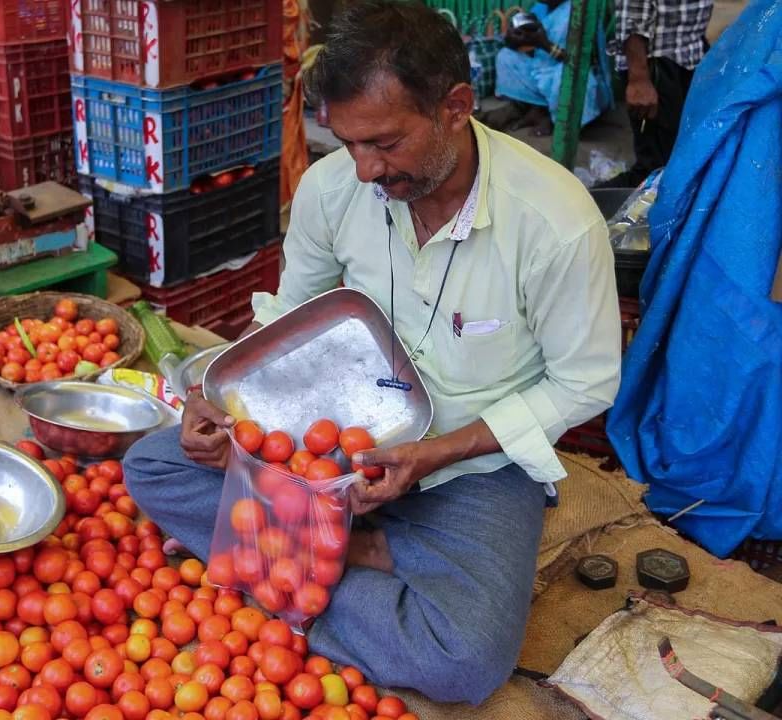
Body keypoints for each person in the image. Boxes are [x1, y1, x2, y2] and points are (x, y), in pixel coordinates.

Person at [123, 0, 622, 705]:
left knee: (466, 661)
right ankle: (355, 554)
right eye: (348, 143)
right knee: (151, 466)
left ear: (455, 106)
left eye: (384, 143)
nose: (362, 169)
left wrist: (436, 453)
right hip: (325, 434)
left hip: (471, 463)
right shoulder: (334, 189)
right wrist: (224, 410)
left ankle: (298, 553)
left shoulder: (554, 224)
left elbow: (585, 383)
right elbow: (290, 319)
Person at [602, 0, 712, 187]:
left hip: (687, 56)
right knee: (654, 169)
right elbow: (633, 12)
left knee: (677, 158)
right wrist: (639, 78)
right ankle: (587, 206)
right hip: (656, 64)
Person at [492, 0, 611, 135]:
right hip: (543, 68)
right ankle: (537, 109)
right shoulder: (540, 8)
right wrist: (514, 40)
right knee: (506, 57)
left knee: (567, 78)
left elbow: (579, 61)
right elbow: (532, 50)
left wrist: (545, 44)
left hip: (568, 70)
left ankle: (555, 119)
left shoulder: (578, 12)